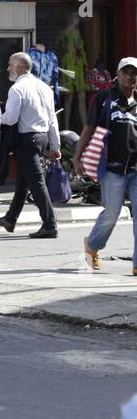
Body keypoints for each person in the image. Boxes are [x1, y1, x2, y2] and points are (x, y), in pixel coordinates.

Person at [0, 52, 62, 238]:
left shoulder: (17, 88)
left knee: (37, 183)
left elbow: (11, 118)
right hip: (41, 138)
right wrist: (55, 146)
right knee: (24, 181)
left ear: (19, 67)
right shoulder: (44, 87)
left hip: (26, 140)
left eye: (10, 64)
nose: (8, 68)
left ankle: (50, 224)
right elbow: (52, 120)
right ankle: (10, 219)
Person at [79, 58, 137, 274]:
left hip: (136, 167)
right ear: (118, 74)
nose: (130, 77)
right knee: (112, 213)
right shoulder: (105, 97)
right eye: (126, 72)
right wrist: (77, 156)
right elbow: (90, 127)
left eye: (134, 73)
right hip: (112, 166)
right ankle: (92, 246)